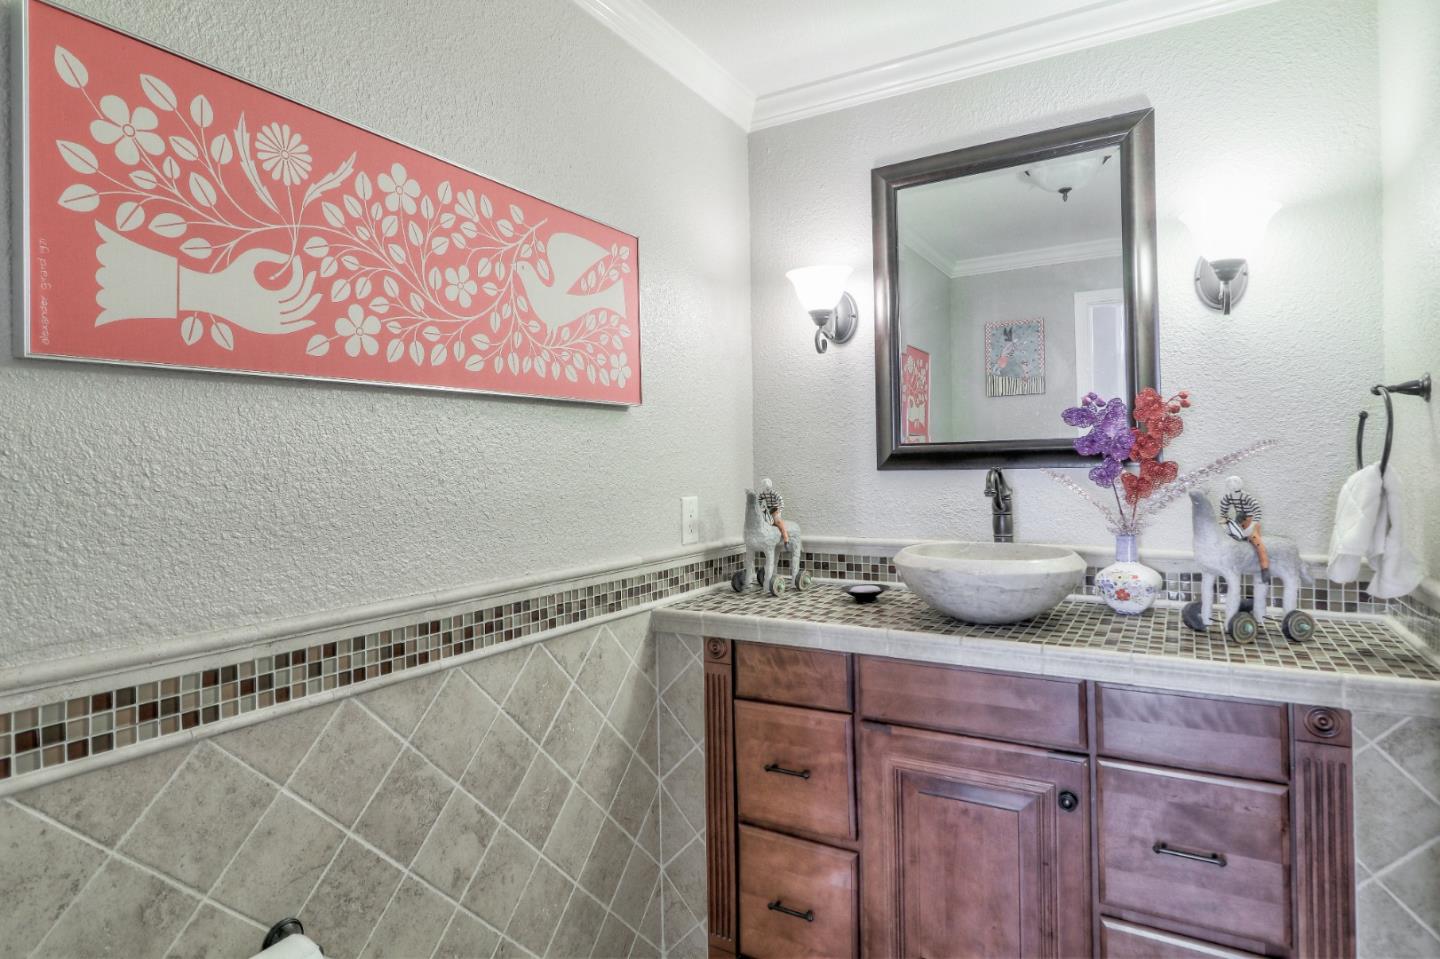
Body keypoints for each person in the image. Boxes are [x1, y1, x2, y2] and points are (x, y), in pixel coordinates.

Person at [1219, 475, 1270, 582]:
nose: (1232, 485)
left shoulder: (1246, 496)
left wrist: (1251, 527)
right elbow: (1223, 511)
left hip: (1250, 522)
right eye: (1230, 483)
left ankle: (1265, 568)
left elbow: (1258, 511)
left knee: (1258, 543)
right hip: (1238, 521)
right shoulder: (1228, 497)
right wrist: (1224, 524)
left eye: (1234, 483)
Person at [758, 477, 789, 544]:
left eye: (768, 486)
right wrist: (760, 508)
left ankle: (785, 537)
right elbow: (759, 501)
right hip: (768, 509)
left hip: (775, 509)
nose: (767, 488)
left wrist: (780, 509)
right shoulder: (762, 494)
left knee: (778, 522)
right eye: (765, 486)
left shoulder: (774, 493)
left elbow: (781, 500)